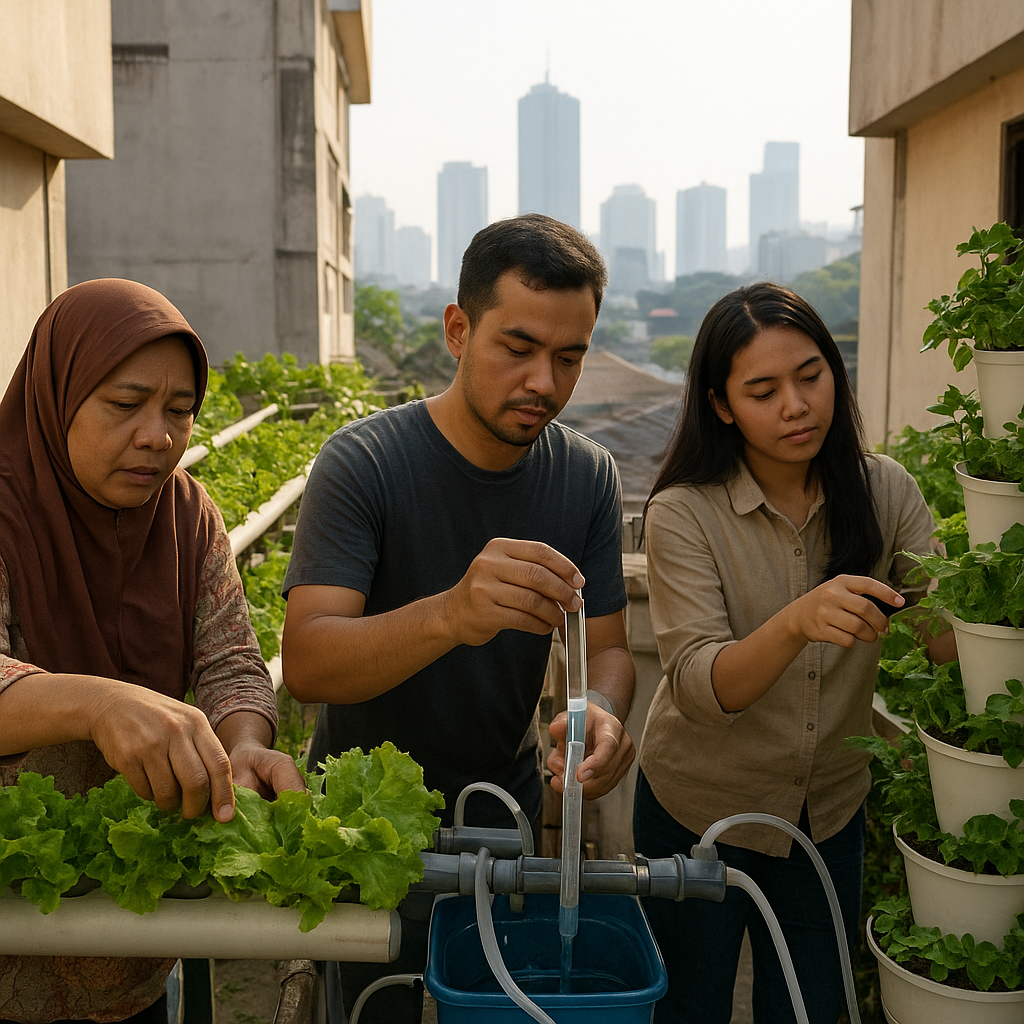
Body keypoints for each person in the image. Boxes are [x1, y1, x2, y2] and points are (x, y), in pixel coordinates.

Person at [281, 213, 637, 1022]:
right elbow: (307, 662)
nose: (544, 381)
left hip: (501, 816)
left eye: (569, 356)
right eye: (517, 348)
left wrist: (601, 714)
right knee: (375, 1005)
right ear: (457, 329)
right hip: (358, 825)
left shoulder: (585, 477)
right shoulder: (363, 462)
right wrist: (450, 614)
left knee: (497, 1006)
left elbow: (609, 648)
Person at [632, 282, 946, 1024]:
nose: (796, 405)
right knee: (688, 1006)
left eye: (810, 375)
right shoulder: (684, 513)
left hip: (828, 814)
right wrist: (798, 618)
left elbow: (945, 643)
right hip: (697, 813)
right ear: (721, 404)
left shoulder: (886, 490)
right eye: (763, 390)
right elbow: (705, 688)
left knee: (810, 1007)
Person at [0, 278, 304, 1023]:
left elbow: (230, 659)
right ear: (58, 393)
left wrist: (243, 744)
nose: (158, 436)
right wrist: (100, 702)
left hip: (137, 932)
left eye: (179, 411)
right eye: (124, 404)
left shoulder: (187, 513)